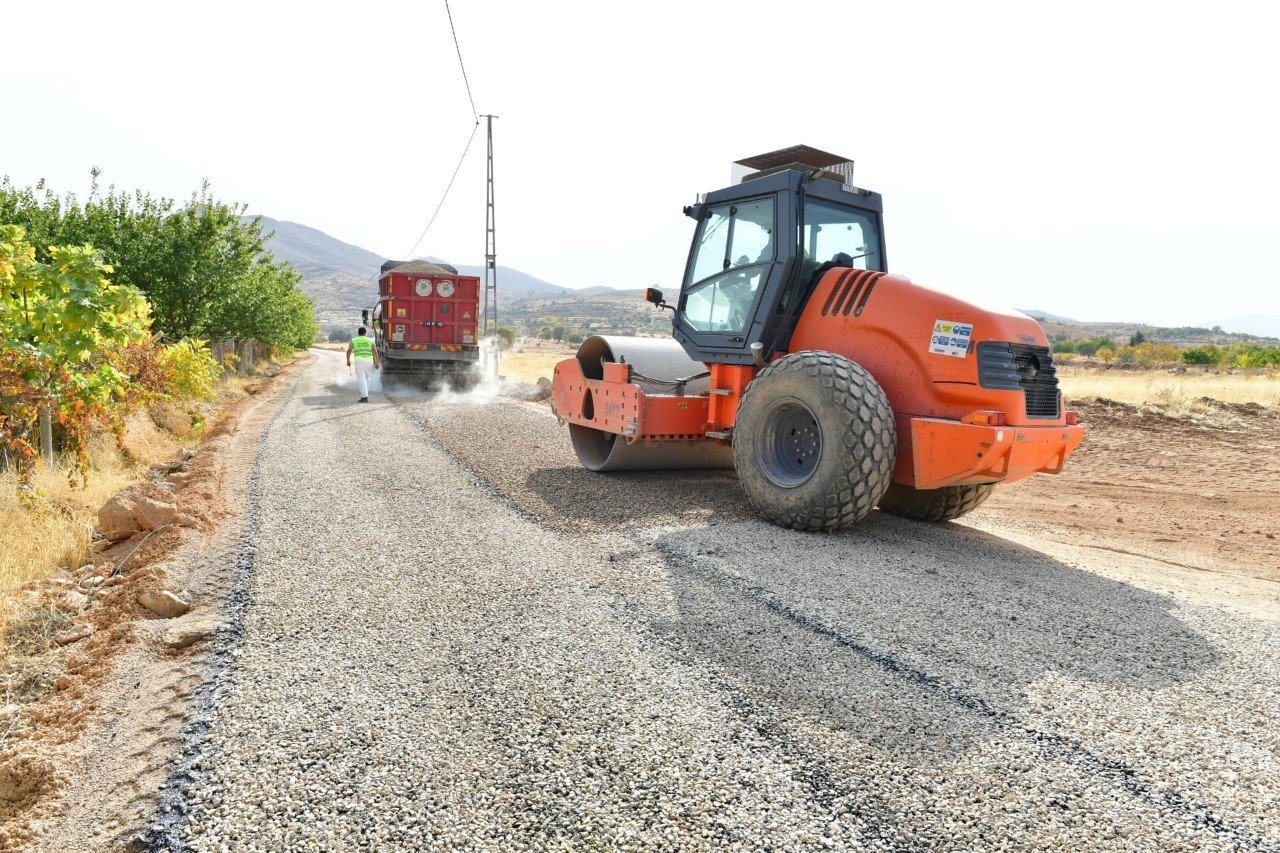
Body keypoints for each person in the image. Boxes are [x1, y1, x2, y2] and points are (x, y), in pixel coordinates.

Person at [346, 326, 380, 402]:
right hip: (369, 361)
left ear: (358, 333)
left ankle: (364, 397)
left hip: (359, 362)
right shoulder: (370, 340)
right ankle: (365, 393)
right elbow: (375, 352)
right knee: (368, 378)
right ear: (365, 333)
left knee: (361, 378)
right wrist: (377, 362)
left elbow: (349, 351)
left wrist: (348, 360)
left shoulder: (354, 340)